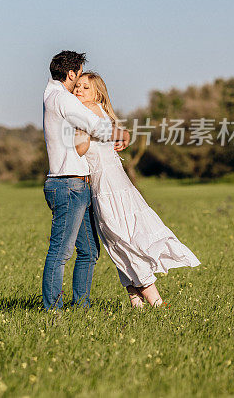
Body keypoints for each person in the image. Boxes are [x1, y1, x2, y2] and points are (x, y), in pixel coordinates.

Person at [73, 71, 200, 307]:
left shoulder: (89, 112)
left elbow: (80, 149)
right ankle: (135, 301)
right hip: (110, 185)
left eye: (85, 87)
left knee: (122, 240)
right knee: (118, 241)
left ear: (97, 94)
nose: (79, 90)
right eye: (77, 86)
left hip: (110, 188)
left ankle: (155, 301)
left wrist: (77, 131)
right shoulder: (97, 113)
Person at [41, 51, 130, 310]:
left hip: (77, 184)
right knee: (61, 252)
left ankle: (82, 307)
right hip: (68, 185)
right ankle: (52, 311)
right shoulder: (61, 99)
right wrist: (122, 132)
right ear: (71, 74)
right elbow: (95, 124)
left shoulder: (53, 96)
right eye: (79, 74)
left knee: (89, 251)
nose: (80, 81)